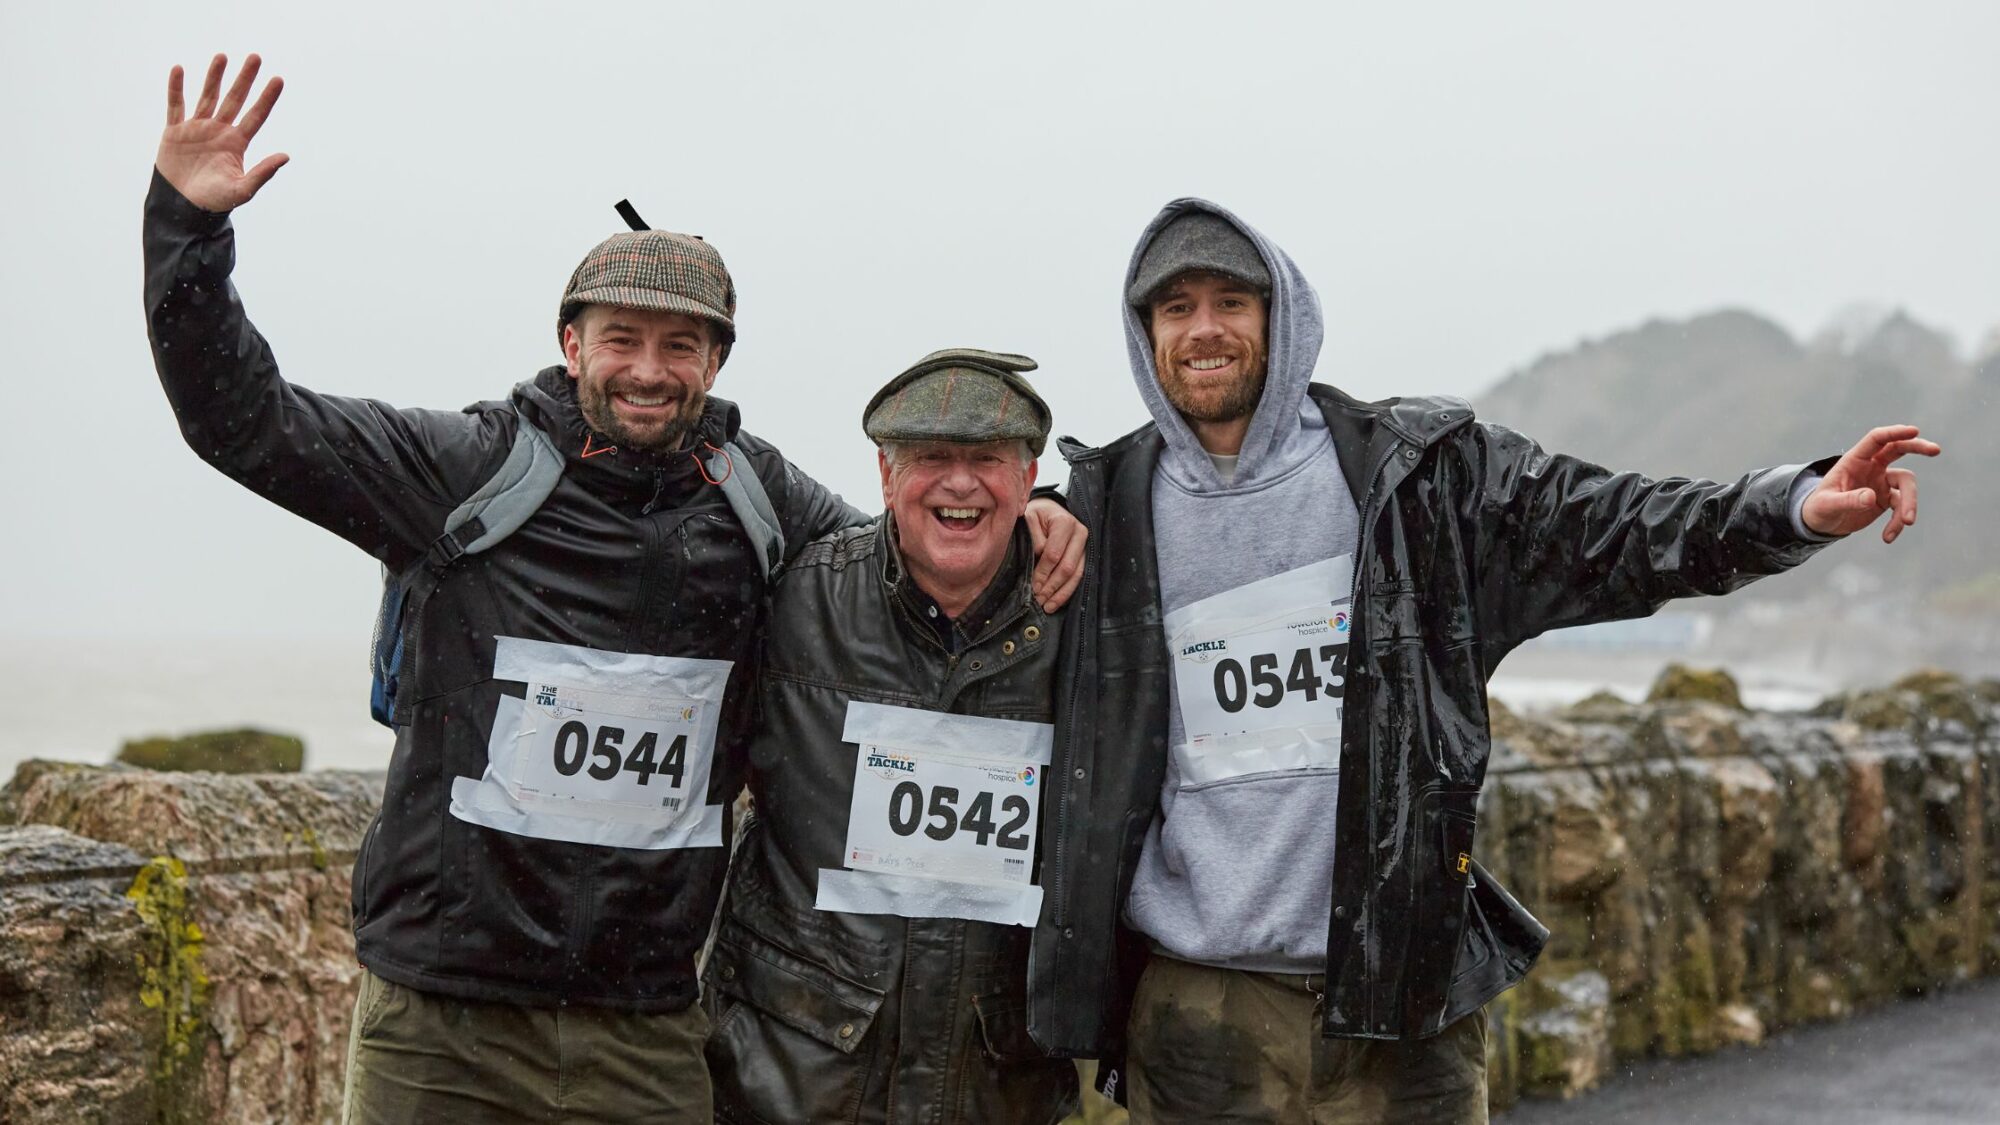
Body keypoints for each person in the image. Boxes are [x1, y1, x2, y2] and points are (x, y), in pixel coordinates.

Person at [142, 54, 1083, 1123]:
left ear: (716, 361)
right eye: (621, 340)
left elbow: (903, 558)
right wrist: (187, 227)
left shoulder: (759, 499)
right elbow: (245, 421)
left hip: (643, 1029)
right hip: (442, 1023)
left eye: (679, 345)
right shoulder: (464, 471)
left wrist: (1039, 514)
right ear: (569, 343)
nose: (648, 369)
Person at [1032, 198, 1939, 1123]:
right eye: (1175, 307)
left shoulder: (1420, 475)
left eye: (1233, 299)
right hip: (1201, 1014)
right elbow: (945, 586)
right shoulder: (1103, 510)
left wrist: (1788, 507)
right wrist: (1029, 511)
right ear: (1144, 333)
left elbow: (1612, 527)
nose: (1206, 328)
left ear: (1282, 315)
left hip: (1404, 997)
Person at [701, 349, 1080, 1123]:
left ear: (1028, 474)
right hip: (787, 1079)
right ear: (884, 474)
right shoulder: (792, 596)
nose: (960, 482)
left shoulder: (1085, 621)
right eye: (932, 458)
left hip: (999, 1084)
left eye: (987, 460)